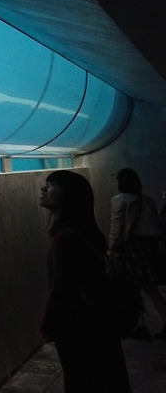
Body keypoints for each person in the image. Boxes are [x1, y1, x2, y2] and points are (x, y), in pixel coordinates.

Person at [38, 170, 130, 393]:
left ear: (69, 194)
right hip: (99, 325)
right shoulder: (88, 233)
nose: (44, 188)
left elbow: (60, 290)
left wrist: (47, 326)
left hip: (78, 329)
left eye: (52, 184)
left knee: (80, 379)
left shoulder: (64, 239)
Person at [108, 168, 166, 339]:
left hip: (129, 248)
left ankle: (140, 327)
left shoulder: (119, 200)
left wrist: (111, 248)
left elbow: (116, 227)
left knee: (132, 289)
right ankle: (148, 324)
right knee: (151, 289)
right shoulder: (147, 200)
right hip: (147, 248)